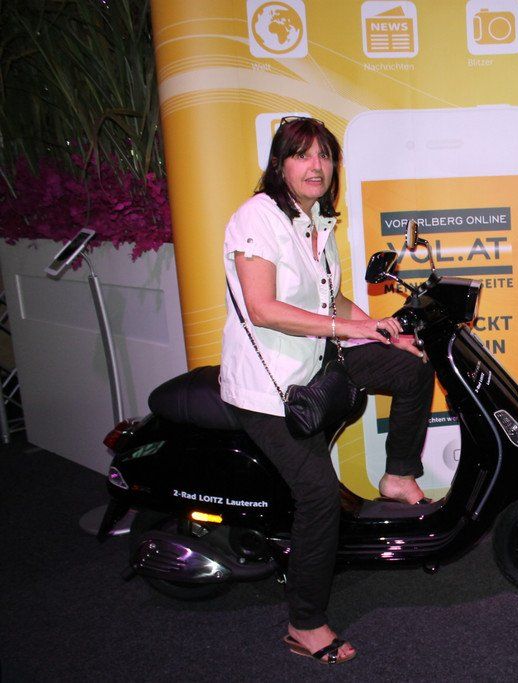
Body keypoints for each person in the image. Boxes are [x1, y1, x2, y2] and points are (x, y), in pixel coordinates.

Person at [219, 116, 435, 662]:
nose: (316, 166)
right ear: (279, 164)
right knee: (318, 493)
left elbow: (330, 298)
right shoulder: (257, 218)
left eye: (324, 155)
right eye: (302, 155)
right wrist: (349, 329)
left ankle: (397, 475)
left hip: (317, 362)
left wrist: (379, 331)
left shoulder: (316, 218)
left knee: (410, 368)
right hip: (270, 386)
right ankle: (304, 625)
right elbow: (263, 309)